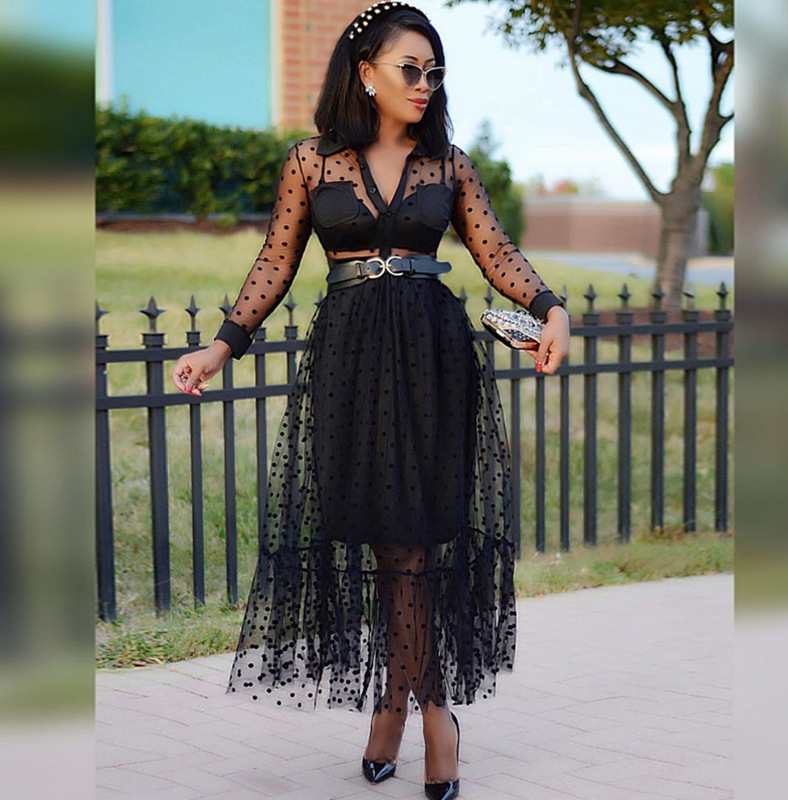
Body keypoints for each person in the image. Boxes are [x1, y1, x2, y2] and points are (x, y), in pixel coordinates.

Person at [171, 2, 570, 797]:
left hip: (432, 359)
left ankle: (427, 715)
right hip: (352, 362)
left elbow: (495, 250)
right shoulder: (310, 162)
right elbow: (275, 261)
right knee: (385, 546)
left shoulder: (449, 165)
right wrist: (221, 345)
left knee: (418, 546)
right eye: (409, 69)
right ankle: (400, 706)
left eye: (434, 72)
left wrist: (551, 308)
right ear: (366, 73)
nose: (425, 84)